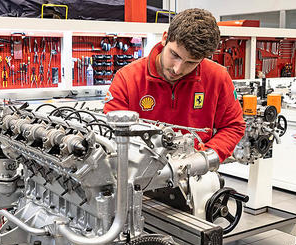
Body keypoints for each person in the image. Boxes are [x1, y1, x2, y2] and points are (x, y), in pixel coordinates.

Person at [103, 8, 245, 162]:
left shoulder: (218, 77)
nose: (178, 69)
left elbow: (233, 126)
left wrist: (204, 159)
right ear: (165, 38)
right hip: (140, 174)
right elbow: (110, 133)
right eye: (175, 55)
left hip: (195, 174)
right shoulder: (127, 78)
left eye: (191, 63)